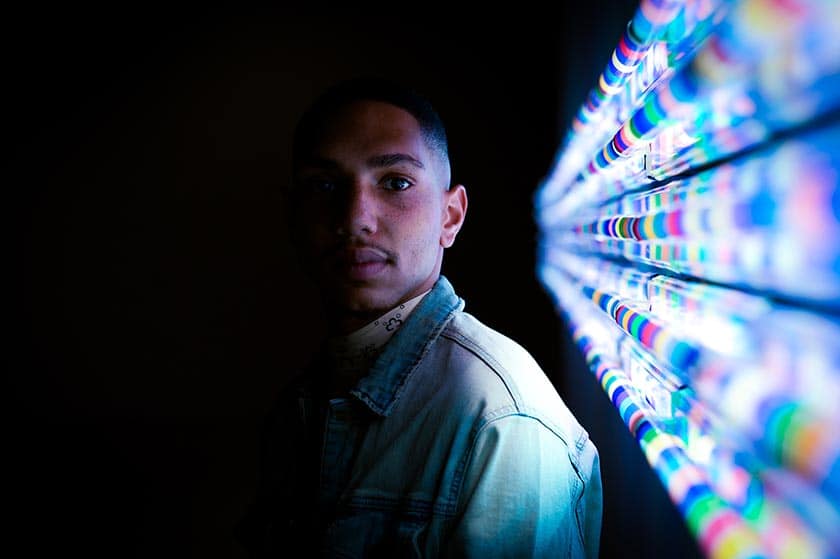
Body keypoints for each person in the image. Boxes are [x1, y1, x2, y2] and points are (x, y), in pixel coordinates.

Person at [236, 76, 602, 558]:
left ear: (450, 216)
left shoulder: (504, 422)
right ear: (293, 216)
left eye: (395, 183)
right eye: (325, 185)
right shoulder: (301, 402)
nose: (355, 218)